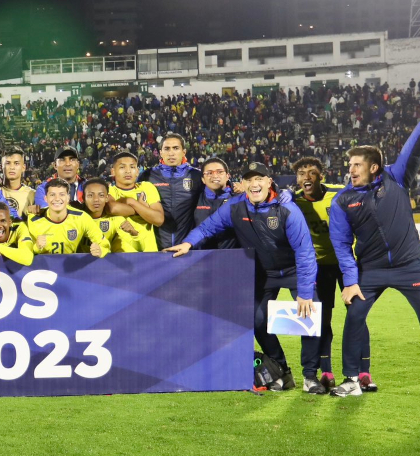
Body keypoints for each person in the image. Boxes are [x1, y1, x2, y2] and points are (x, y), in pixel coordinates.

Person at [165, 162, 317, 392]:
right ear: (243, 184)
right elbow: (207, 228)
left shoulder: (288, 209)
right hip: (265, 273)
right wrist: (187, 243)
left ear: (268, 182)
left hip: (295, 271)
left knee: (308, 319)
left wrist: (305, 293)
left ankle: (311, 376)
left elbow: (305, 252)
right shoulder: (235, 207)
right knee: (256, 321)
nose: (254, 184)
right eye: (249, 180)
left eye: (260, 179)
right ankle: (282, 372)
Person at [327, 120, 420, 397]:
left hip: (411, 267)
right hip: (370, 271)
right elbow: (342, 245)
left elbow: (412, 149)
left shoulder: (397, 177)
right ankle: (352, 380)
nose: (350, 170)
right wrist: (351, 282)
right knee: (354, 317)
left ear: (374, 167)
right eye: (350, 165)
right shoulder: (342, 200)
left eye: (356, 165)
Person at [292, 156, 344, 391]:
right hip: (319, 266)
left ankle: (362, 372)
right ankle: (327, 371)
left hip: (346, 263)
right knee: (323, 319)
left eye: (311, 172)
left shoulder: (339, 193)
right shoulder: (293, 200)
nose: (306, 177)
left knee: (357, 315)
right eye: (301, 173)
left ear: (321, 176)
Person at [141, 134, 202, 249]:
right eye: (167, 149)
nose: (171, 153)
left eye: (175, 148)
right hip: (156, 246)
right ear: (161, 152)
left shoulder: (196, 176)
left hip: (188, 247)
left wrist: (232, 186)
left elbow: (215, 194)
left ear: (183, 152)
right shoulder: (148, 175)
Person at [27, 180, 109, 258]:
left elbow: (104, 243)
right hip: (44, 269)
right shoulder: (33, 220)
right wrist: (36, 247)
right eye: (52, 195)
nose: (57, 199)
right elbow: (25, 252)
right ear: (46, 198)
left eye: (62, 194)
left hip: (70, 268)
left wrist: (100, 250)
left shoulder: (81, 218)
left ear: (68, 198)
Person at [104, 151, 162, 252]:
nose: (128, 171)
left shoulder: (147, 187)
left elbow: (158, 219)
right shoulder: (108, 190)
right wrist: (143, 209)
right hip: (122, 256)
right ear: (113, 171)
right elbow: (112, 208)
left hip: (148, 254)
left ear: (137, 171)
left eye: (132, 167)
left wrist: (131, 202)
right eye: (122, 167)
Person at [193, 157, 238, 250]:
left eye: (220, 172)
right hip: (201, 259)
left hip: (232, 259)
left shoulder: (239, 199)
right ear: (203, 179)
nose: (215, 176)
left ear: (227, 176)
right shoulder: (194, 199)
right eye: (209, 173)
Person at [81, 178, 126, 252]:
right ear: (83, 198)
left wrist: (133, 234)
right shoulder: (75, 219)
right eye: (90, 195)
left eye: (101, 195)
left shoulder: (117, 221)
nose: (96, 199)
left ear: (107, 198)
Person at [0, 148, 37, 218]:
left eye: (16, 163)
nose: (12, 167)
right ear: (1, 167)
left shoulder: (32, 195)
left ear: (23, 168)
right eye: (8, 163)